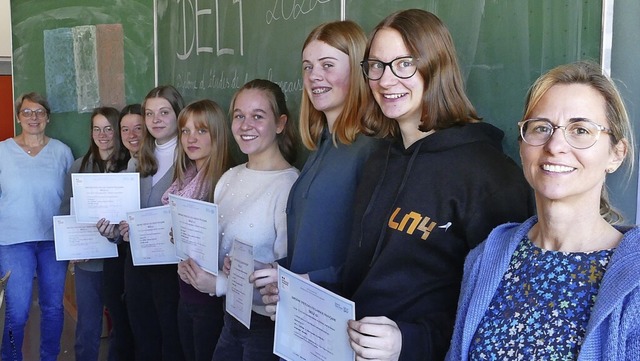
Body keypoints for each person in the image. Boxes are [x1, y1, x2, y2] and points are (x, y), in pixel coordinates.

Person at [341, 9, 534, 360]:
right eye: (376, 65)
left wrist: (411, 342)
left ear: (437, 66)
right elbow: (366, 275)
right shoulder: (377, 161)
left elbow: (500, 310)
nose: (386, 81)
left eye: (404, 64)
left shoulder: (489, 175)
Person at [447, 61, 638, 360]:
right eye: (541, 128)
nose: (555, 145)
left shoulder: (634, 280)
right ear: (523, 146)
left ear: (615, 154)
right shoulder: (486, 259)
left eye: (580, 130)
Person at [251, 20, 378, 317]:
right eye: (307, 67)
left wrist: (302, 281)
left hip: (338, 319)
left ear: (359, 70)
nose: (314, 76)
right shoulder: (321, 146)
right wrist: (274, 271)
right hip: (301, 314)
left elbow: (369, 259)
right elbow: (313, 243)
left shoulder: (373, 149)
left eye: (328, 65)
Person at [177, 79, 299, 361]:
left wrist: (217, 284)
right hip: (230, 318)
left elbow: (285, 276)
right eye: (239, 116)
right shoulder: (229, 178)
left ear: (280, 124)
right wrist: (190, 251)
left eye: (258, 116)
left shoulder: (289, 186)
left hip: (264, 329)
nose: (245, 125)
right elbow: (220, 251)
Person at [99, 85, 186, 360]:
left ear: (178, 114)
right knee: (143, 336)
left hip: (172, 269)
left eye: (164, 112)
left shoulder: (190, 157)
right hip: (136, 264)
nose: (156, 120)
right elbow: (126, 215)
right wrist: (115, 230)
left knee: (171, 340)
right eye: (150, 113)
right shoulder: (137, 161)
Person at [0, 92, 74, 361]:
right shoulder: (2, 151)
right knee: (16, 311)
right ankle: (10, 357)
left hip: (54, 240)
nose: (34, 117)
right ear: (18, 116)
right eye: (27, 112)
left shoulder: (62, 151)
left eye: (40, 112)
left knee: (53, 307)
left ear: (48, 118)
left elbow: (70, 198)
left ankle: (49, 357)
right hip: (12, 241)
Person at [161, 99, 232, 361]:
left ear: (217, 134)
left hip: (211, 300)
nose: (191, 138)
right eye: (185, 131)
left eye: (201, 130)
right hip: (185, 292)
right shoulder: (186, 179)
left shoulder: (226, 181)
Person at [59, 106, 130, 361]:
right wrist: (71, 251)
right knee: (88, 325)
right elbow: (67, 210)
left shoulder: (131, 166)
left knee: (121, 326)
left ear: (117, 131)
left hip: (119, 260)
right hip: (88, 263)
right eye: (97, 129)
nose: (103, 135)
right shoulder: (79, 166)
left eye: (109, 128)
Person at [100, 104, 143, 361]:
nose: (132, 134)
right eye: (125, 129)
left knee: (140, 326)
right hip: (117, 254)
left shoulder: (157, 166)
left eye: (138, 127)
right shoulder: (115, 165)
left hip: (145, 261)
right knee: (119, 318)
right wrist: (109, 231)